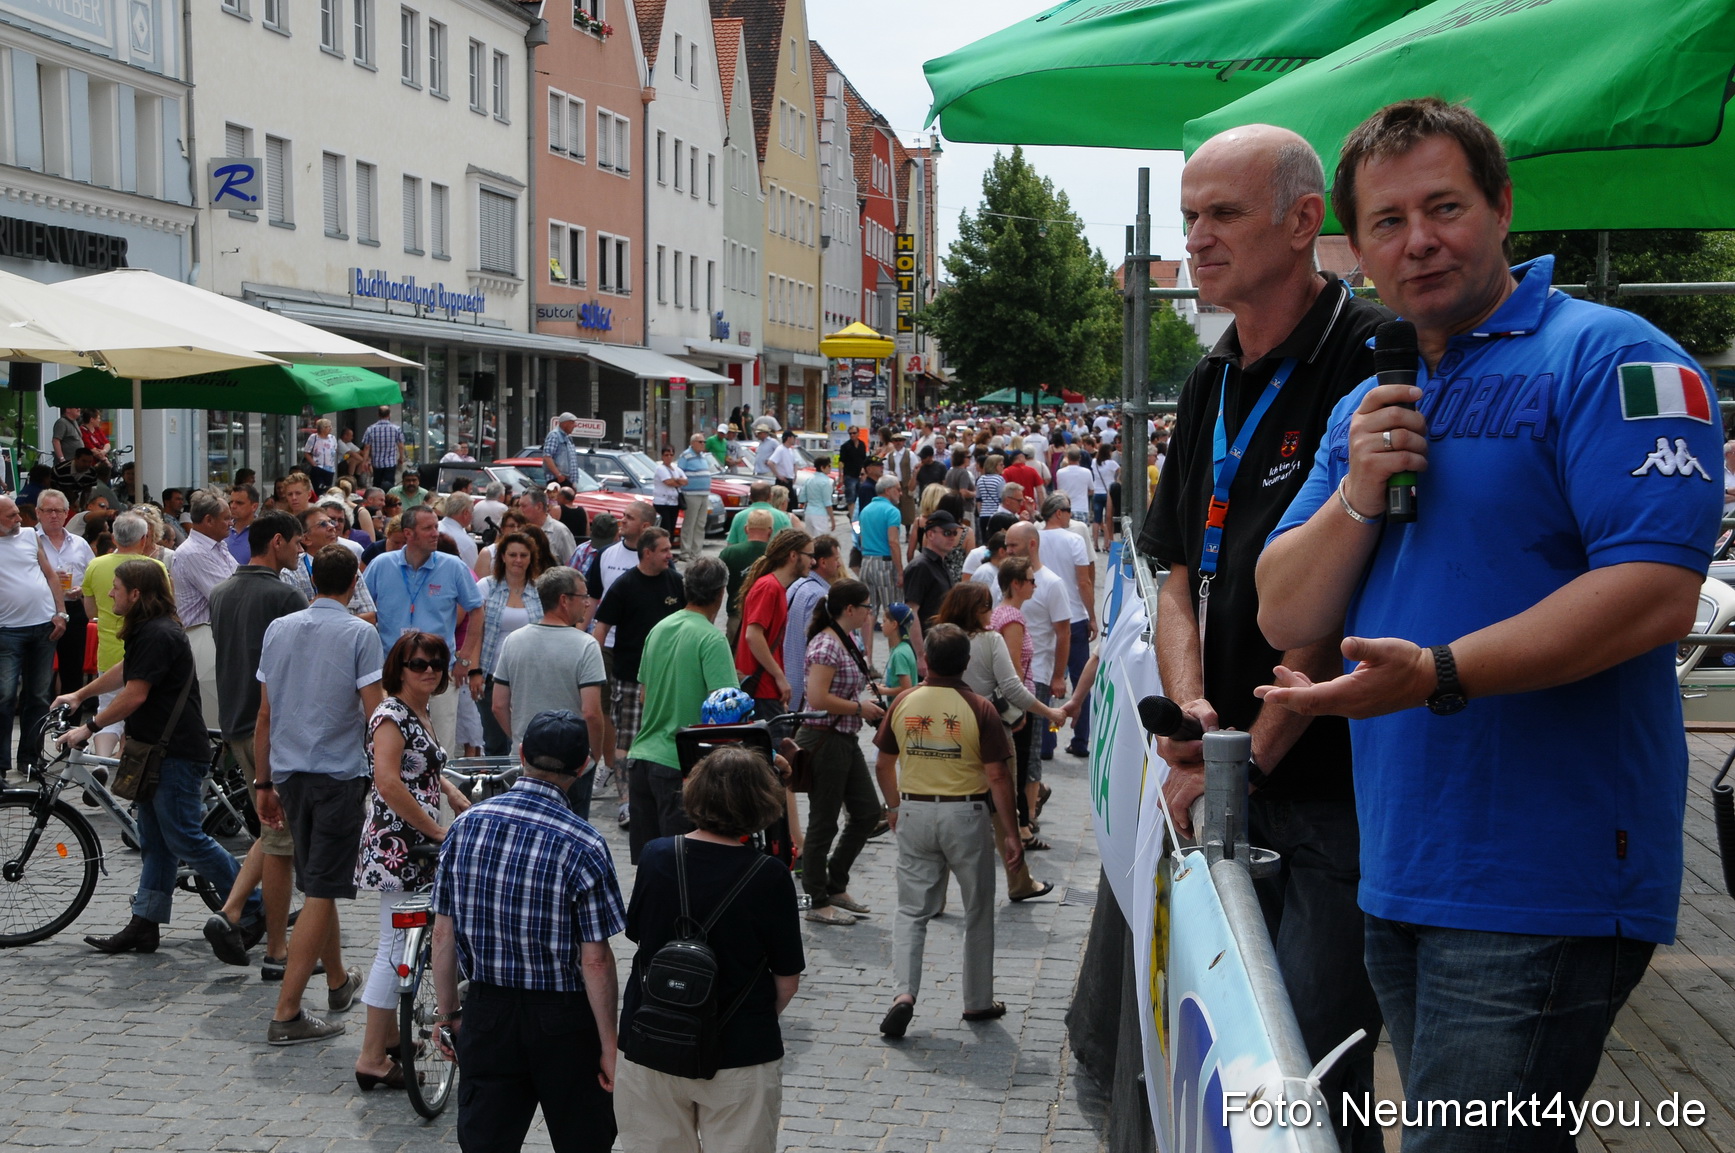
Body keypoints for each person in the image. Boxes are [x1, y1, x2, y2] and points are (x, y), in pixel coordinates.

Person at [1253, 98, 1721, 1142]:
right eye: (1385, 221)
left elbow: (1655, 591)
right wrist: (1357, 492)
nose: (1417, 239)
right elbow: (1282, 604)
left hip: (1542, 879)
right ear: (1358, 248)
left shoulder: (1615, 358)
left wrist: (1438, 673)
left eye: (1444, 206)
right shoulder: (1369, 397)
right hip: (1403, 864)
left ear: (1503, 207)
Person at [1137, 122, 1393, 1136]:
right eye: (1189, 216)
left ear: (1300, 223)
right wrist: (1198, 713)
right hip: (1234, 776)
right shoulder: (1211, 377)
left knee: (1310, 1081)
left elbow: (1345, 596)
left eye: (1222, 214)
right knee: (1250, 1060)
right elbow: (1171, 572)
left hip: (1336, 793)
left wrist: (1233, 758)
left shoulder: (1368, 352)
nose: (1195, 238)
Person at [431, 708, 625, 1153]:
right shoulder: (585, 843)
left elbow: (442, 935)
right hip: (565, 1020)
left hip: (488, 1009)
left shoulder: (466, 827)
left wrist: (450, 1015)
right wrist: (609, 1045)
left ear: (520, 754)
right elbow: (594, 960)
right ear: (583, 766)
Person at [615, 745, 805, 1153]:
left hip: (653, 1041)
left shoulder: (657, 856)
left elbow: (638, 937)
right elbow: (786, 982)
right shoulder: (770, 877)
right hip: (740, 1052)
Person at [55, 560, 249, 954]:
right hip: (156, 751)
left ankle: (255, 904)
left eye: (117, 587)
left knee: (185, 839)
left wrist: (88, 728)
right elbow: (126, 671)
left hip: (173, 752)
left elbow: (135, 694)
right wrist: (79, 695)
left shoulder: (159, 632)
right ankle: (145, 924)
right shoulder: (150, 630)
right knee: (156, 844)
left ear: (136, 594)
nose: (110, 593)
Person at [253, 545, 384, 1044]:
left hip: (289, 772)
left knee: (318, 883)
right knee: (325, 887)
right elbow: (375, 713)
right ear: (354, 582)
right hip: (336, 774)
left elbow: (265, 713)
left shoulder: (280, 628)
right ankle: (287, 1012)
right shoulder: (360, 632)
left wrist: (263, 782)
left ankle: (335, 979)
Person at [872, 624, 1022, 1039]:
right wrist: (1011, 833)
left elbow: (883, 763)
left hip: (915, 811)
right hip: (966, 815)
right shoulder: (979, 708)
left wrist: (894, 808)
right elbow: (997, 776)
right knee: (977, 910)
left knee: (910, 910)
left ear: (927, 661)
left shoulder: (904, 702)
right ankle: (976, 1000)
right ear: (967, 663)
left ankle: (904, 994)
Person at [353, 631, 473, 1089]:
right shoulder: (390, 714)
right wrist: (437, 829)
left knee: (404, 943)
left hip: (417, 840)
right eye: (419, 663)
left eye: (437, 663)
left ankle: (387, 1038)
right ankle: (371, 1059)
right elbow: (387, 781)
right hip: (399, 844)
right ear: (399, 668)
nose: (429, 670)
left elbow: (422, 768)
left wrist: (453, 794)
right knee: (394, 948)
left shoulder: (417, 710)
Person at [203, 511, 307, 977]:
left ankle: (231, 913)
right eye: (297, 543)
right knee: (279, 837)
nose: (301, 552)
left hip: (235, 723)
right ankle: (275, 949)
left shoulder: (222, 591)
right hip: (272, 727)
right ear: (278, 542)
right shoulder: (285, 595)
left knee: (272, 830)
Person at [935, 582, 1061, 895]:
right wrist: (1049, 712)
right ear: (975, 611)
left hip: (948, 729)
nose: (991, 614)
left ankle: (934, 893)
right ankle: (1019, 882)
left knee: (947, 811)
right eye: (987, 608)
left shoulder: (939, 636)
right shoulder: (990, 640)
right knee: (1003, 810)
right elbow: (1013, 688)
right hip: (989, 729)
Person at [628, 557, 740, 861]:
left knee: (650, 868)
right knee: (684, 869)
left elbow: (643, 696)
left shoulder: (659, 629)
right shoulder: (711, 638)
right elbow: (726, 713)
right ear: (721, 593)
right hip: (680, 767)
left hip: (642, 760)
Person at [794, 580, 888, 925]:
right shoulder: (826, 646)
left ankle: (835, 882)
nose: (870, 613)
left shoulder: (843, 640)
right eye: (866, 607)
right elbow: (817, 700)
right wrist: (858, 708)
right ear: (850, 610)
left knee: (866, 813)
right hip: (824, 740)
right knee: (824, 821)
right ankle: (816, 898)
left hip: (843, 739)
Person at [363, 505, 483, 752]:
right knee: (391, 745)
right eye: (427, 528)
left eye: (436, 527)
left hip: (437, 672)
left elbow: (477, 610)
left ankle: (439, 792)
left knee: (440, 744)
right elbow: (362, 609)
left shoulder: (453, 566)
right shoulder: (381, 565)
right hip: (392, 672)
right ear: (408, 533)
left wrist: (465, 659)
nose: (435, 533)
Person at [494, 566, 608, 814]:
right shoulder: (586, 646)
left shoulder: (514, 640)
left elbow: (499, 704)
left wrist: (520, 737)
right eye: (583, 597)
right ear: (564, 600)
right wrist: (594, 756)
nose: (588, 604)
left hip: (525, 761)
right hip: (572, 764)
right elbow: (591, 712)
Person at [592, 528, 685, 816]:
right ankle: (626, 802)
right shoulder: (625, 585)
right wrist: (595, 669)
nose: (670, 556)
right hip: (630, 676)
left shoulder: (675, 582)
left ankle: (666, 797)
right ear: (647, 553)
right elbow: (601, 627)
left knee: (668, 735)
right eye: (664, 551)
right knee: (627, 738)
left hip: (670, 676)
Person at [0, 495, 69, 775]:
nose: (19, 519)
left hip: (42, 626)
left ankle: (30, 759)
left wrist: (61, 612)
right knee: (4, 697)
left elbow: (50, 575)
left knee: (39, 696)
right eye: (11, 516)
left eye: (17, 513)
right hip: (7, 630)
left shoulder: (29, 536)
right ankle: (2, 765)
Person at [476, 531, 545, 756]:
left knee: (529, 739)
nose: (518, 560)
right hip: (491, 674)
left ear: (531, 558)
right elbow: (476, 632)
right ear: (502, 557)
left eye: (523, 555)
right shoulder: (486, 587)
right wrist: (474, 670)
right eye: (512, 554)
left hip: (530, 675)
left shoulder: (541, 590)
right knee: (494, 741)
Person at [734, 529, 812, 717]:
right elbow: (753, 636)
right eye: (810, 555)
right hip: (761, 688)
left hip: (766, 689)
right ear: (793, 555)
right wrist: (779, 677)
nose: (813, 561)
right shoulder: (769, 587)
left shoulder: (775, 587)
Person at [35, 489, 94, 699]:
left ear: (67, 513)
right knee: (39, 672)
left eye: (59, 511)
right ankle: (40, 722)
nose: (54, 516)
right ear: (38, 513)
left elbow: (91, 575)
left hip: (74, 608)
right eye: (49, 510)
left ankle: (69, 724)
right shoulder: (30, 542)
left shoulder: (79, 543)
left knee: (73, 670)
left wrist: (82, 589)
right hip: (42, 610)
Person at [782, 535, 841, 712]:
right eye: (836, 559)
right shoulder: (819, 596)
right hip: (803, 685)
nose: (839, 564)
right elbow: (817, 647)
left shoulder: (796, 585)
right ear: (823, 562)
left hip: (787, 673)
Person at [856, 473, 904, 671]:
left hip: (867, 561)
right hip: (884, 563)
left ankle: (867, 660)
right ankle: (895, 663)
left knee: (868, 613)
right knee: (893, 613)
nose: (900, 493)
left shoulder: (866, 510)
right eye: (898, 489)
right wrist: (900, 570)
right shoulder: (892, 511)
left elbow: (859, 537)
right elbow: (893, 541)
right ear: (888, 490)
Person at [901, 509, 960, 636]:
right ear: (931, 535)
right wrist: (920, 652)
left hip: (942, 640)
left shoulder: (941, 563)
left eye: (955, 533)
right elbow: (911, 612)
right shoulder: (921, 566)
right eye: (947, 533)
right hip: (929, 641)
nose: (952, 537)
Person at [720, 507, 772, 650]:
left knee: (734, 664)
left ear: (746, 529)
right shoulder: (776, 555)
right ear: (770, 531)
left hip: (736, 616)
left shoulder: (729, 553)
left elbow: (716, 588)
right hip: (767, 620)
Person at [676, 434, 714, 561]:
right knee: (689, 523)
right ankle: (685, 552)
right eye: (700, 442)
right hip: (691, 494)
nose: (703, 444)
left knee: (700, 524)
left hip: (704, 494)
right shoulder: (686, 456)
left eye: (704, 442)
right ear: (692, 443)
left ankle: (696, 552)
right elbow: (679, 474)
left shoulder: (703, 456)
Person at [518, 486, 578, 564]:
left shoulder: (560, 531)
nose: (519, 510)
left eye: (524, 506)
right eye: (519, 506)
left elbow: (572, 564)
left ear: (539, 507)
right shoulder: (518, 529)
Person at [724, 481, 792, 546]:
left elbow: (731, 543)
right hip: (773, 557)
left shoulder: (739, 517)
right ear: (770, 496)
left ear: (750, 497)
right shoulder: (782, 517)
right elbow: (789, 542)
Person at [363, 406, 405, 490]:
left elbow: (367, 447)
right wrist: (401, 457)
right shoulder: (396, 429)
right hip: (390, 462)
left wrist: (365, 461)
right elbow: (401, 445)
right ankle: (388, 500)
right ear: (389, 415)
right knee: (390, 485)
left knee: (377, 484)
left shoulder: (371, 429)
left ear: (378, 414)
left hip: (377, 463)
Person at [880, 603, 918, 693]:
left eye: (884, 621)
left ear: (894, 624)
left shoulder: (899, 654)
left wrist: (883, 691)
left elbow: (906, 688)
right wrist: (886, 687)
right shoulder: (904, 647)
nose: (881, 625)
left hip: (901, 705)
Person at [651, 444, 686, 537]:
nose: (669, 457)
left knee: (672, 528)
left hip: (674, 503)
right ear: (662, 456)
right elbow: (669, 482)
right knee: (665, 527)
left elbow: (685, 481)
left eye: (671, 455)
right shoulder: (660, 469)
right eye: (666, 455)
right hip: (662, 503)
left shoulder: (676, 469)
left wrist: (676, 480)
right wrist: (678, 480)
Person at [799, 455, 837, 540]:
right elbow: (827, 503)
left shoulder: (809, 479)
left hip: (808, 513)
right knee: (822, 540)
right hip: (820, 514)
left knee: (810, 540)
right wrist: (832, 519)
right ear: (822, 467)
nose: (830, 468)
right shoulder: (827, 482)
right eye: (828, 466)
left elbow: (802, 497)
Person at [540, 412, 583, 487]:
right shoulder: (554, 435)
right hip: (557, 480)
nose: (575, 425)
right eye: (572, 422)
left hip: (567, 481)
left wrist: (573, 482)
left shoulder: (568, 437)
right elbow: (547, 457)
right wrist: (558, 475)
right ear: (564, 423)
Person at [226, 484, 259, 564]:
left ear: (254, 506)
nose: (233, 506)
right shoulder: (222, 529)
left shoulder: (262, 532)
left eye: (239, 503)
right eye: (231, 502)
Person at [302, 418, 339, 491]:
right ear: (322, 428)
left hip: (330, 469)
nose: (331, 428)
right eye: (328, 426)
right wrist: (313, 463)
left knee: (327, 490)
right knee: (319, 490)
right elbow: (306, 452)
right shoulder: (314, 437)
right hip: (318, 467)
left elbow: (334, 449)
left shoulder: (332, 438)